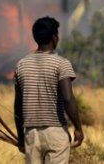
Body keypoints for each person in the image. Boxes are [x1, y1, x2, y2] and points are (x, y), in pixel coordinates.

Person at [14, 16, 84, 164]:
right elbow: (68, 98)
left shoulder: (21, 65)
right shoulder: (61, 64)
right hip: (55, 132)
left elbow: (18, 106)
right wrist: (78, 128)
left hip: (31, 134)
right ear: (54, 37)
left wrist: (21, 137)